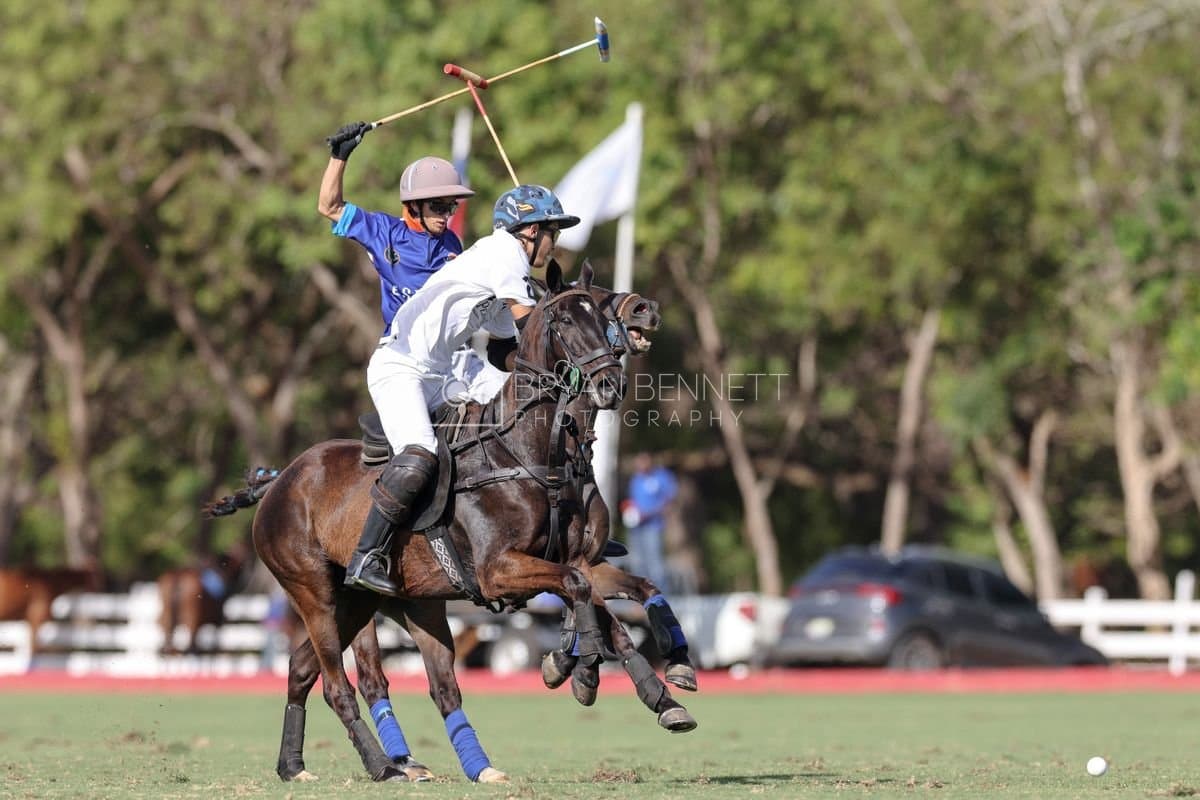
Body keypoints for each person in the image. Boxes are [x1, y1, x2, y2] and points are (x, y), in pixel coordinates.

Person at [346, 183, 581, 595]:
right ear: (529, 231)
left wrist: (550, 378)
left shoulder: (507, 270)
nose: (554, 244)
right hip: (400, 368)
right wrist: (565, 354)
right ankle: (367, 554)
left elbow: (506, 349)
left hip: (442, 373)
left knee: (513, 421)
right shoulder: (504, 252)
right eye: (552, 233)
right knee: (420, 455)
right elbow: (531, 329)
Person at [318, 121, 474, 335]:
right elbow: (329, 207)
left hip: (447, 352)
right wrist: (339, 157)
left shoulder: (452, 243)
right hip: (402, 350)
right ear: (413, 204)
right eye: (438, 206)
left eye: (451, 207)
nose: (445, 216)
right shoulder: (383, 231)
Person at [621, 452, 678, 592]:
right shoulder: (636, 479)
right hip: (636, 528)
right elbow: (632, 501)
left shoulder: (662, 477)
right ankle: (642, 597)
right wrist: (629, 511)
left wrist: (650, 513)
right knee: (637, 564)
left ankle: (662, 597)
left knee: (655, 564)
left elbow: (669, 502)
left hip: (652, 527)